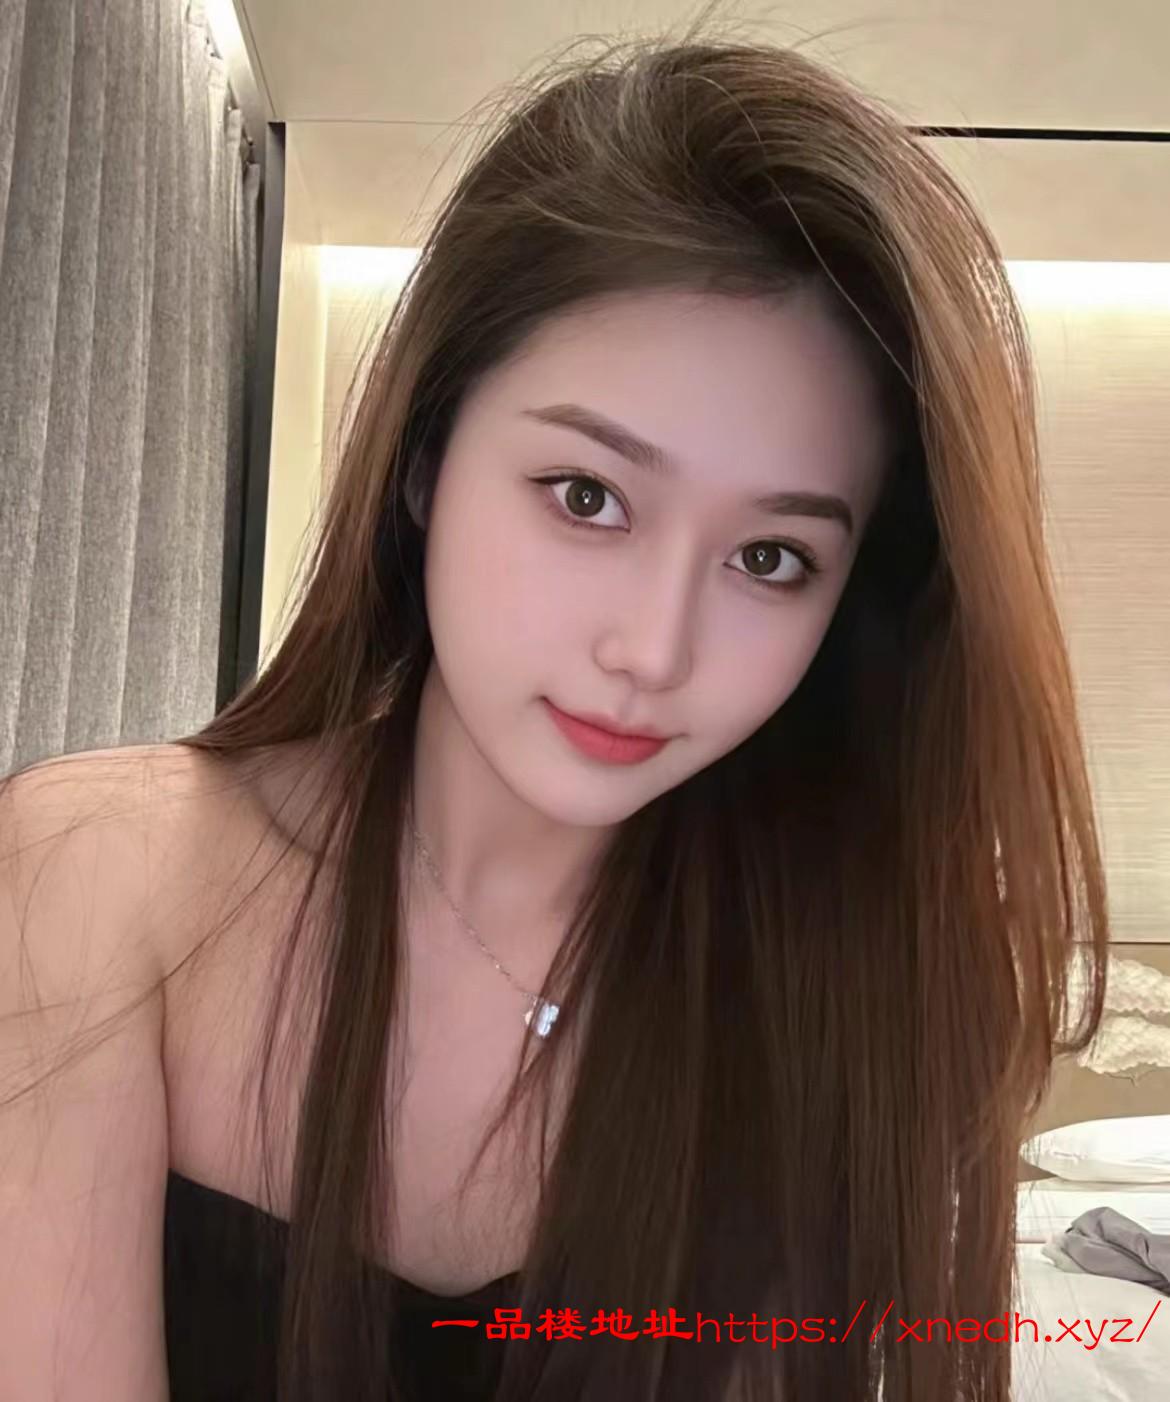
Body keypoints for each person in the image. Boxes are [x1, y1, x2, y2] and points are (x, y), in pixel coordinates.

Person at [0, 8, 1111, 1401]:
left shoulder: (857, 980)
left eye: (771, 558)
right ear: (425, 455)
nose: (652, 648)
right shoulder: (99, 880)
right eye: (587, 496)